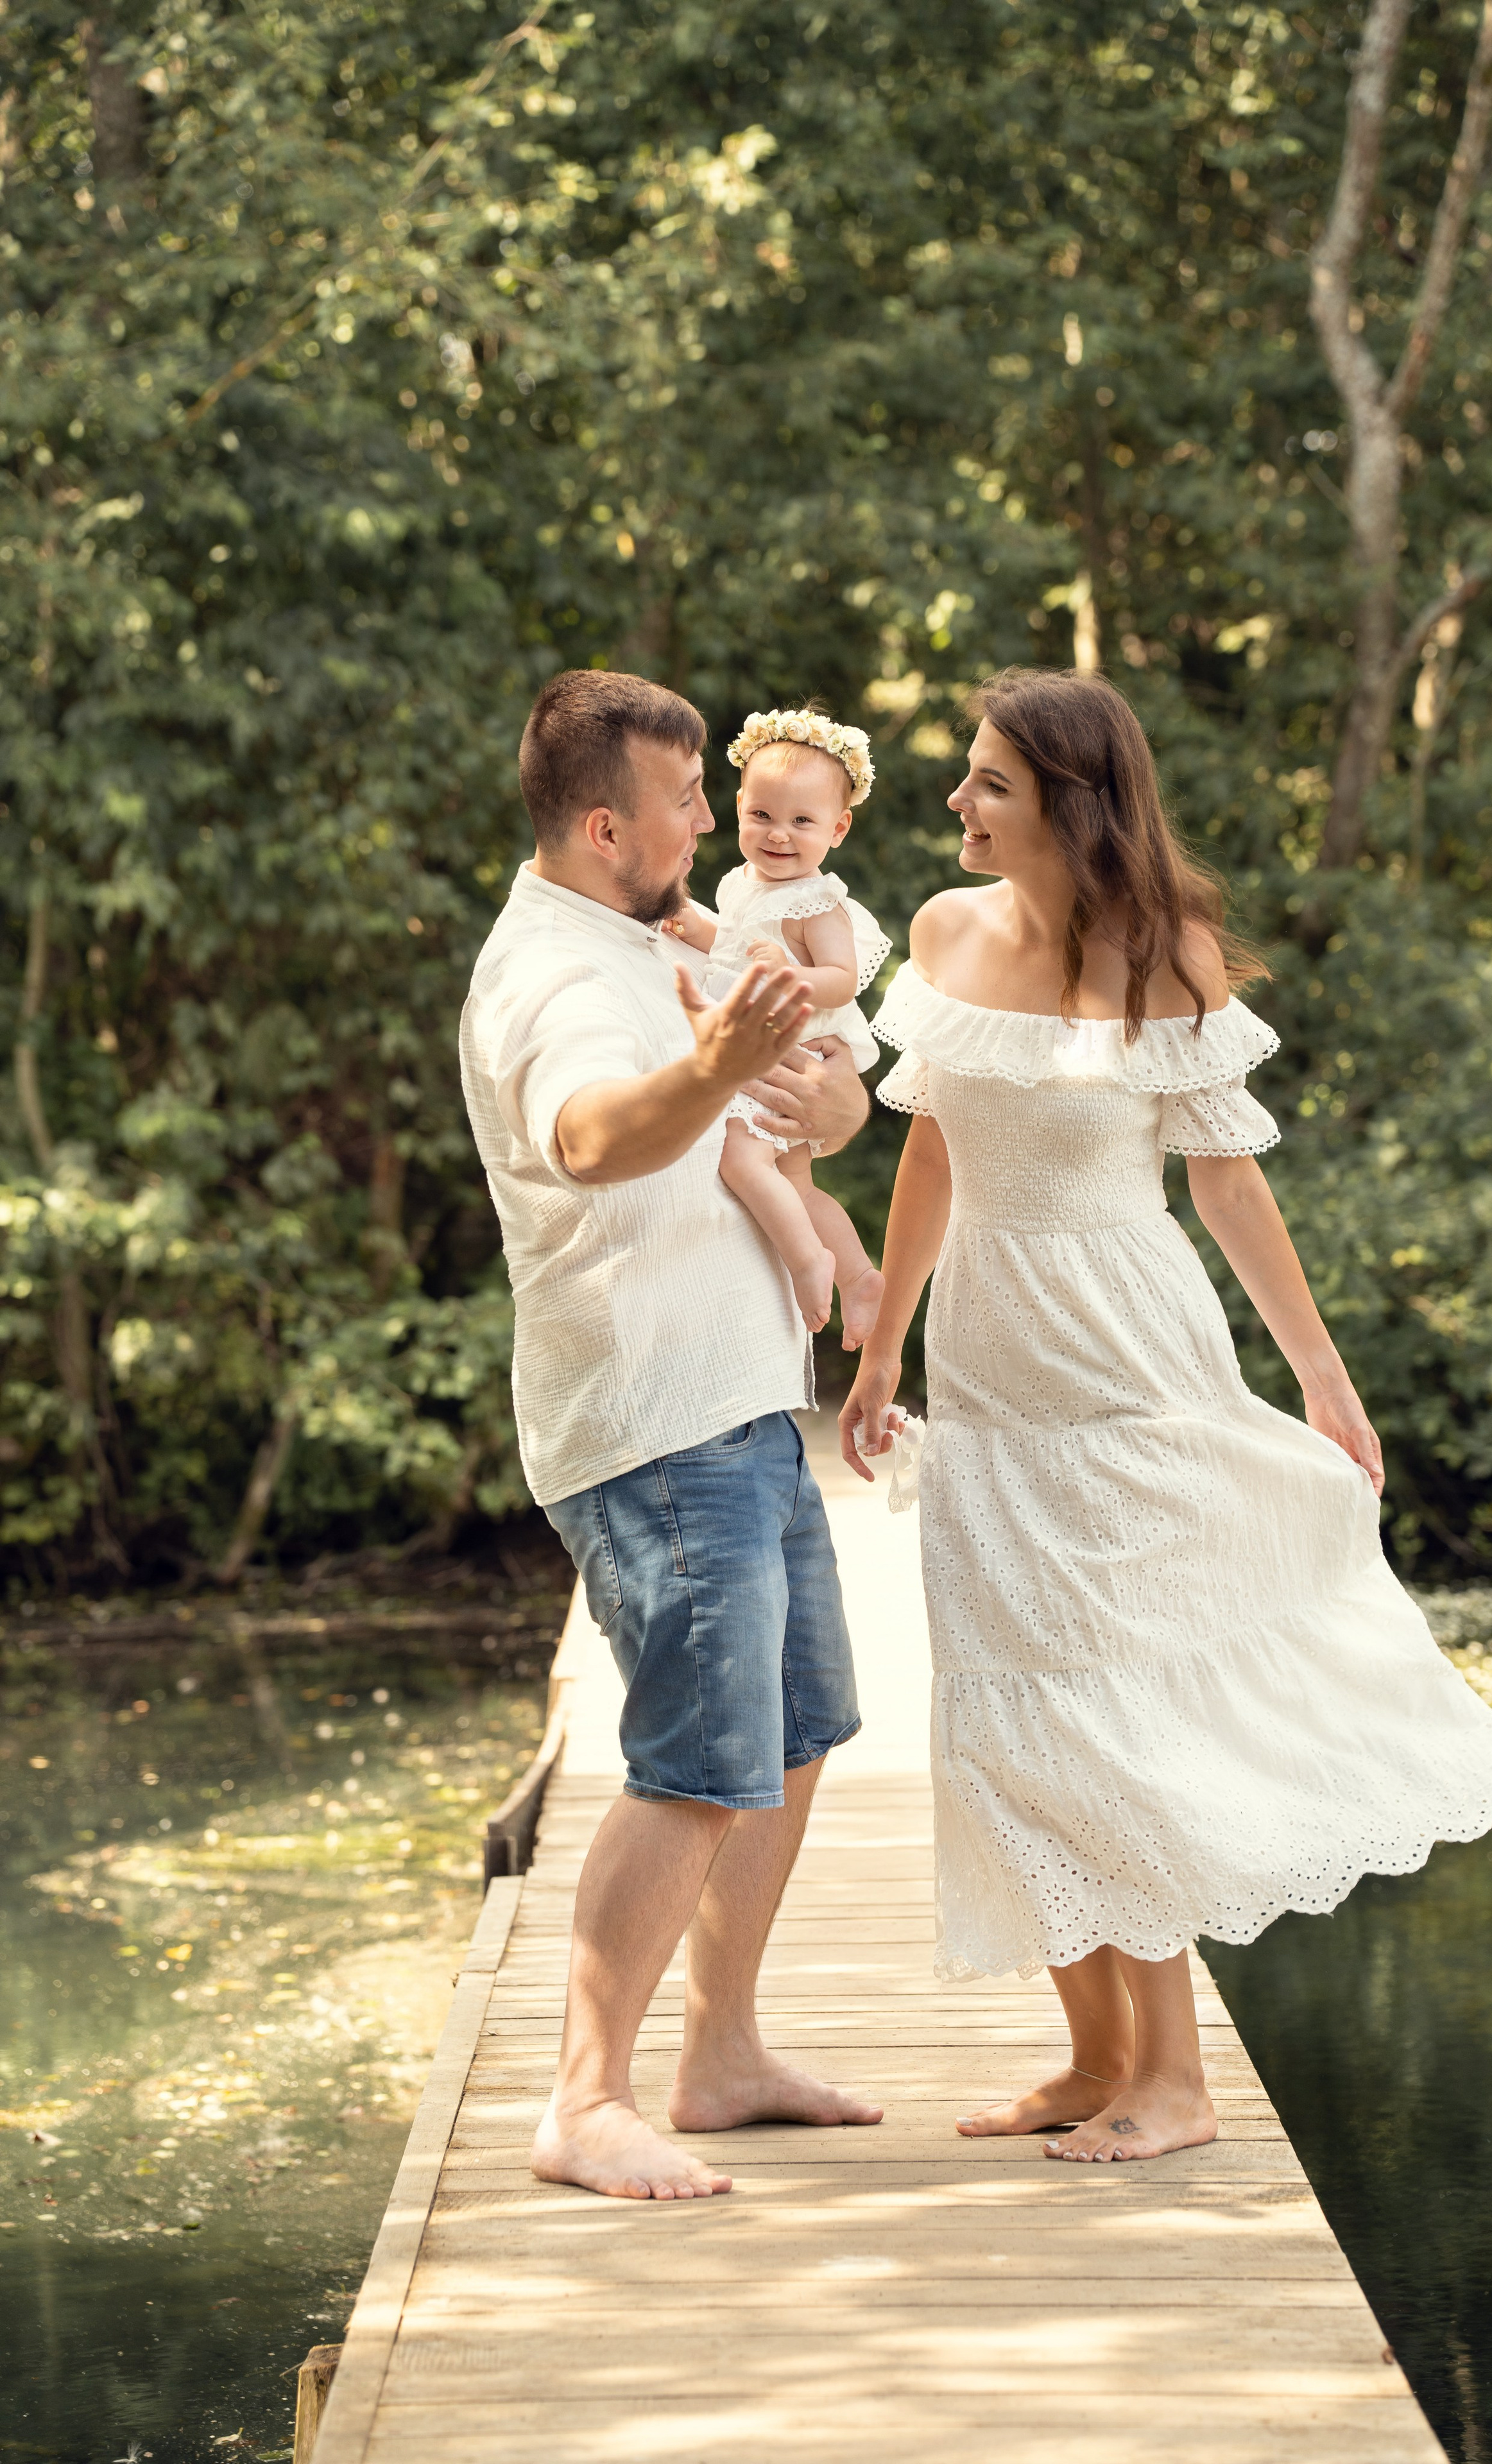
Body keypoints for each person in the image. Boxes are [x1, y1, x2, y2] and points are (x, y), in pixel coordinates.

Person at [839, 666, 1492, 2166]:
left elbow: (1226, 1177)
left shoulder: (1166, 956)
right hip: (985, 1362)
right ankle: (1091, 2052)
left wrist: (1324, 1375)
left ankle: (1174, 2075)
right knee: (997, 1701)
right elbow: (926, 1153)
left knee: (1107, 1703)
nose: (955, 803)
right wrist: (884, 1343)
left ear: (1069, 806)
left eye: (987, 785)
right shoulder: (943, 934)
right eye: (964, 774)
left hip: (1126, 1360)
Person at [460, 667, 884, 2202]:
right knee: (698, 1759)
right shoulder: (555, 977)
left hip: (744, 1398)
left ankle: (719, 2054)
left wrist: (813, 1097)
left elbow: (799, 1110)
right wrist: (714, 1064)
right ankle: (585, 2099)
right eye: (681, 798)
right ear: (596, 825)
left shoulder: (656, 937)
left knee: (790, 1732)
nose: (711, 818)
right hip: (649, 1423)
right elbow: (587, 1137)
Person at [665, 706, 889, 1348]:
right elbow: (732, 945)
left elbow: (842, 979)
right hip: (768, 1037)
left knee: (739, 1155)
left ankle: (807, 1260)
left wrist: (789, 971)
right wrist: (691, 926)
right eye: (762, 816)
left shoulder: (817, 901)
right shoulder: (743, 884)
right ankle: (857, 1273)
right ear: (738, 806)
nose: (779, 836)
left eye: (802, 822)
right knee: (792, 1180)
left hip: (793, 1039)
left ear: (838, 828)